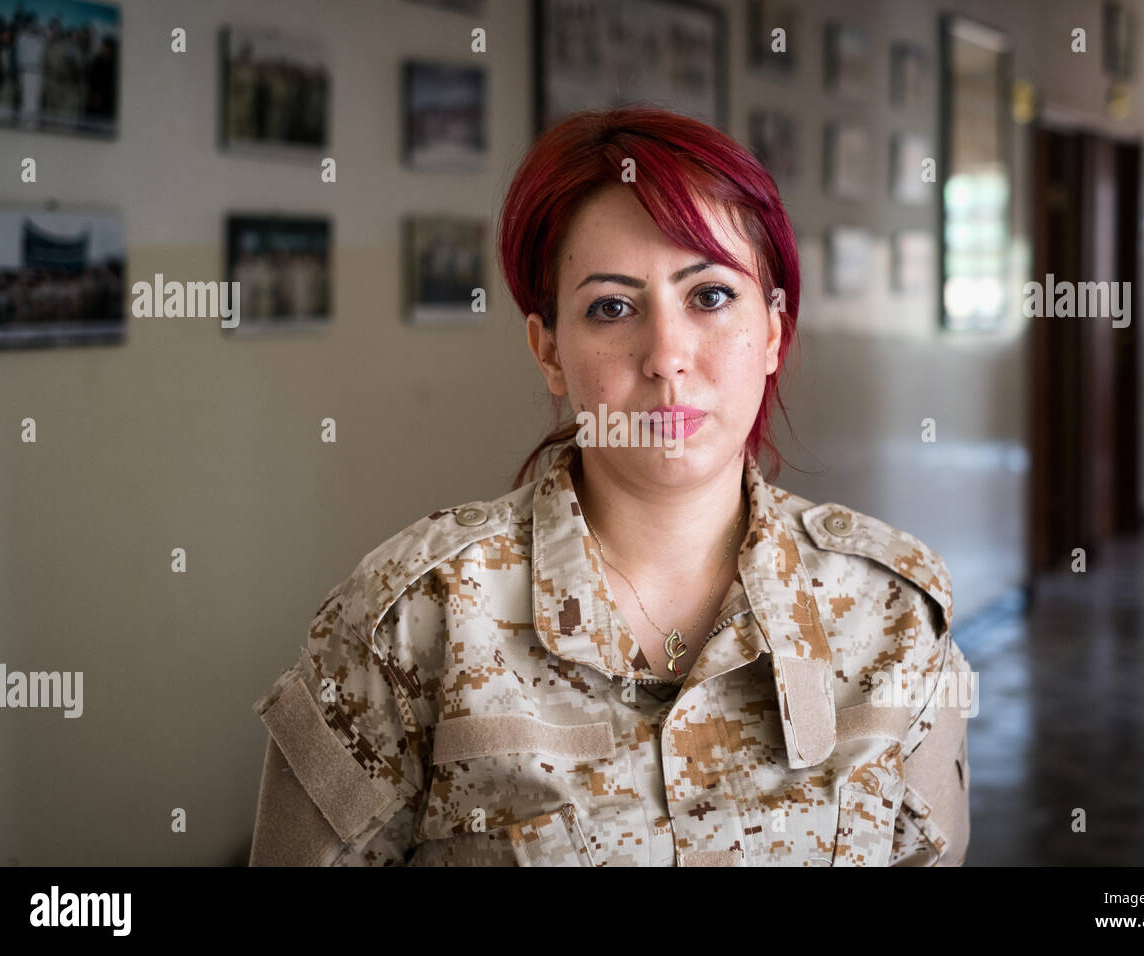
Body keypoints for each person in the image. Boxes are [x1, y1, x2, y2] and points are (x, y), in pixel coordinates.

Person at [248, 105, 972, 867]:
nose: (665, 356)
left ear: (773, 330)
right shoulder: (415, 620)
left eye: (711, 295)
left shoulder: (892, 614)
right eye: (613, 307)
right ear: (550, 351)